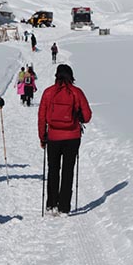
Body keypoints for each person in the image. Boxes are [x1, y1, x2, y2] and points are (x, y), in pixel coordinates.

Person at [38, 64, 92, 215]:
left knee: (53, 169)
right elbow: (87, 116)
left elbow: (42, 117)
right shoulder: (77, 92)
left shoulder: (48, 92)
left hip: (53, 137)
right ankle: (64, 207)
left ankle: (51, 203)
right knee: (68, 171)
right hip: (73, 137)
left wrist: (43, 137)